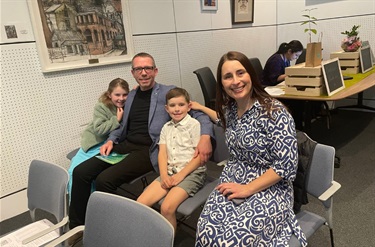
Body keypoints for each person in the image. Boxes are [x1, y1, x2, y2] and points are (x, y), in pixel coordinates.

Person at [68, 52, 213, 234]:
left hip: (148, 150)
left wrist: (206, 137)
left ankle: (111, 229)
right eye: (138, 69)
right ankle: (77, 228)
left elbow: (199, 114)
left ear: (155, 71)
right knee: (80, 171)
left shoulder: (167, 92)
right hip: (126, 145)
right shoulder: (132, 96)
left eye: (147, 68)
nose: (143, 73)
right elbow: (122, 125)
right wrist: (112, 140)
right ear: (133, 73)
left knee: (104, 180)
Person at [195, 51, 307, 246]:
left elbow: (286, 166)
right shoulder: (229, 110)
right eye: (228, 76)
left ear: (251, 76)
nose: (235, 81)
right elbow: (218, 119)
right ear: (221, 83)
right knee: (206, 232)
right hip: (233, 179)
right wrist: (199, 108)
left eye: (241, 73)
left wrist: (247, 189)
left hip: (271, 187)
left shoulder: (275, 113)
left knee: (232, 241)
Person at [137, 87, 206, 231]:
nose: (177, 109)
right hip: (170, 171)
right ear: (166, 109)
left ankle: (168, 241)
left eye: (181, 105)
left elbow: (200, 157)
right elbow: (162, 154)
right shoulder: (166, 128)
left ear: (188, 106)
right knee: (140, 204)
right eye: (172, 106)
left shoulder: (194, 125)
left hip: (191, 173)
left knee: (167, 208)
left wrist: (180, 176)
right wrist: (163, 176)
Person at [67, 78, 129, 201]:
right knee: (74, 171)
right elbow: (99, 129)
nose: (121, 98)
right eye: (117, 94)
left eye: (124, 94)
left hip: (111, 145)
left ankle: (93, 204)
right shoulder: (101, 106)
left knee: (92, 174)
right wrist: (116, 119)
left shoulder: (128, 105)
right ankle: (75, 206)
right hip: (93, 144)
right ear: (109, 94)